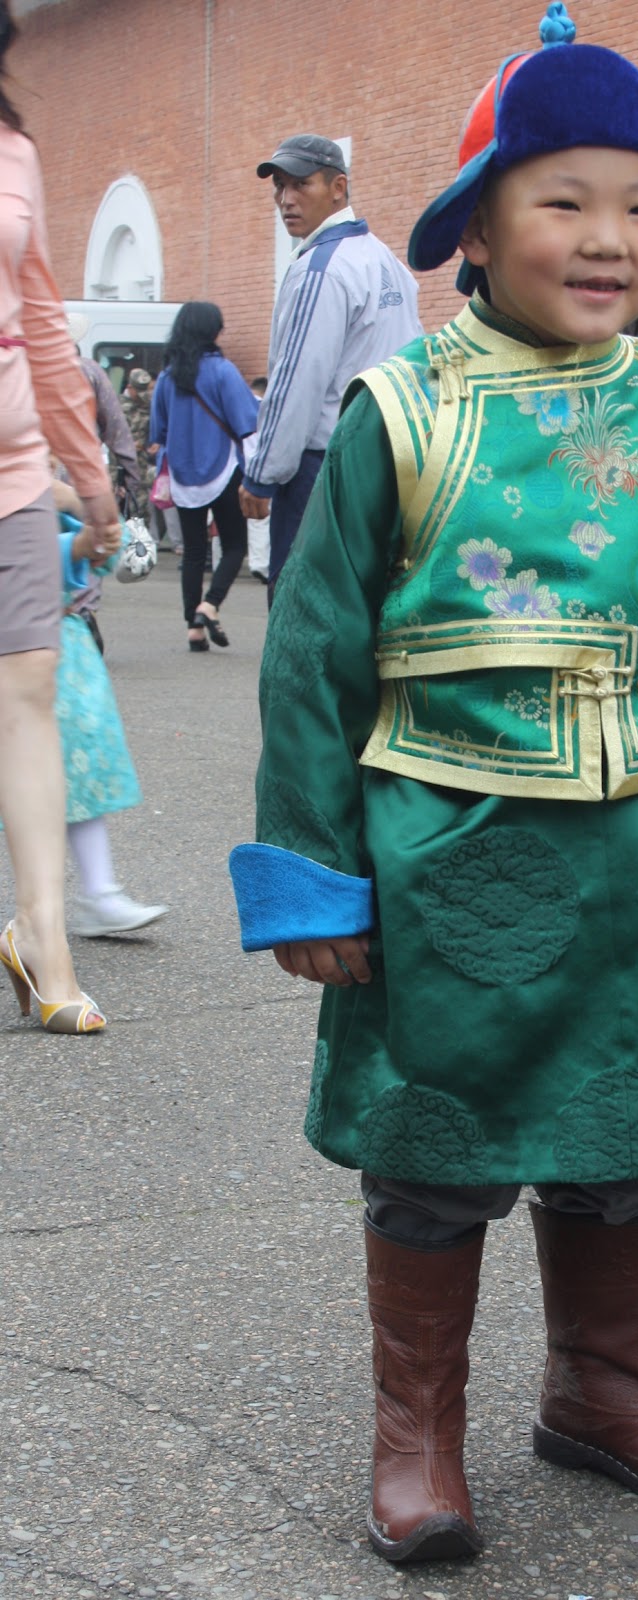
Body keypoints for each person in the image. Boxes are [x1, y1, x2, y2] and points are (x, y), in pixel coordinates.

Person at [230, 3, 638, 1568]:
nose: (610, 236)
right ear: (476, 230)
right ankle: (416, 1433)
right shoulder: (404, 411)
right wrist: (317, 875)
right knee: (435, 1151)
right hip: (447, 852)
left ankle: (600, 1388)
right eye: (565, 199)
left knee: (632, 1129)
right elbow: (312, 662)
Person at [0, 0, 118, 1034]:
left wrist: (90, 475)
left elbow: (39, 315)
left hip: (10, 473)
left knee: (30, 682)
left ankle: (44, 937)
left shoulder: (13, 153)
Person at [238, 133, 422, 603]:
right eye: (279, 187)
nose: (286, 199)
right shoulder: (385, 261)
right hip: (388, 463)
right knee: (364, 610)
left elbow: (295, 381)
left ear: (338, 188)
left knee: (302, 615)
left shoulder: (320, 269)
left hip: (322, 471)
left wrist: (262, 472)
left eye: (300, 184)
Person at [46, 485, 168, 935]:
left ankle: (99, 892)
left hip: (61, 638)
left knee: (78, 768)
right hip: (25, 641)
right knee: (32, 778)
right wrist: (73, 540)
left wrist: (92, 534)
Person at [150, 302, 259, 651]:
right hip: (223, 469)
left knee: (193, 552)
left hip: (183, 472)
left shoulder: (167, 377)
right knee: (235, 545)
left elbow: (159, 431)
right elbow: (248, 423)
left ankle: (192, 630)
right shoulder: (223, 371)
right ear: (212, 331)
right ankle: (209, 606)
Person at [66, 313, 142, 515]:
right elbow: (117, 429)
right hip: (85, 478)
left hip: (35, 479)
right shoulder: (90, 371)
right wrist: (129, 480)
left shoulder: (25, 369)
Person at [243, 376, 270, 583]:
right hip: (256, 466)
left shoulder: (237, 404)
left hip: (231, 465)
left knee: (221, 523)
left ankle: (219, 562)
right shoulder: (266, 408)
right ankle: (260, 564)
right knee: (259, 518)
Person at [119, 367, 156, 520]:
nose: (142, 396)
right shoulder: (116, 407)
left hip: (142, 465)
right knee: (123, 510)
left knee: (141, 510)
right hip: (122, 466)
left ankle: (139, 543)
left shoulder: (148, 404)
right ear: (129, 387)